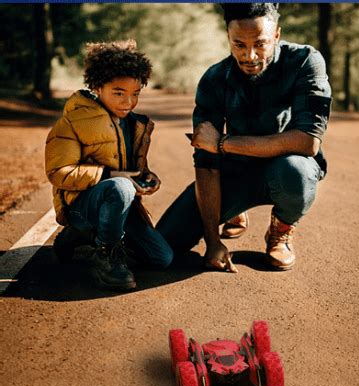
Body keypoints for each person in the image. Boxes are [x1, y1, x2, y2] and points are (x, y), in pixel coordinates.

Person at [156, 3, 331, 273]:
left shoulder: (305, 61)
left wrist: (223, 143)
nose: (249, 56)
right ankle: (236, 208)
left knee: (296, 172)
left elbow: (308, 142)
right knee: (164, 245)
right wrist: (212, 242)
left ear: (276, 35)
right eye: (239, 44)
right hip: (234, 172)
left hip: (284, 168)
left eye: (260, 44)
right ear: (228, 36)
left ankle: (280, 230)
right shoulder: (214, 80)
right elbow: (206, 164)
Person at [45, 40, 173, 291]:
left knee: (162, 259)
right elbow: (58, 173)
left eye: (135, 94)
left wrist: (145, 176)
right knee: (121, 187)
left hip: (119, 202)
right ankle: (105, 254)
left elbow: (131, 169)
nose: (128, 102)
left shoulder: (135, 124)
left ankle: (89, 236)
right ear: (96, 87)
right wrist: (112, 176)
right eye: (119, 93)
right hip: (81, 207)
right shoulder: (73, 121)